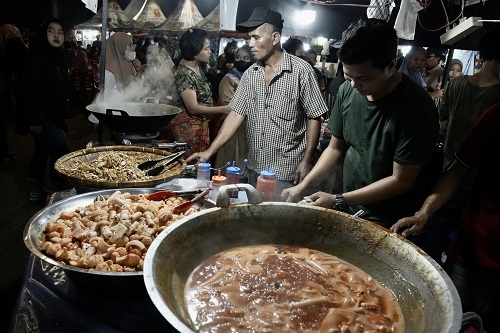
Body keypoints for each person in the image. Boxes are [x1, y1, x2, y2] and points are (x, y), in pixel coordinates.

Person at [281, 18, 438, 229]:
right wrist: (303, 187)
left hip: (389, 219)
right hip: (350, 205)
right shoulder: (348, 90)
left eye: (364, 78)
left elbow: (402, 180)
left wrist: (339, 198)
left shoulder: (417, 107)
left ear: (391, 65)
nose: (354, 85)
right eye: (348, 76)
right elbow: (335, 147)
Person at [186, 7, 326, 197]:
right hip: (255, 167)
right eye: (248, 38)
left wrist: (307, 160)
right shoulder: (251, 74)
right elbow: (236, 113)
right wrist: (210, 151)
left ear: (275, 37)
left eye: (256, 38)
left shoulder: (301, 71)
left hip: (287, 170)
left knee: (281, 223)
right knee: (256, 222)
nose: (250, 44)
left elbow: (314, 116)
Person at [390, 103, 500, 332]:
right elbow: (458, 171)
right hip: (472, 255)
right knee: (447, 322)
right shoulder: (496, 115)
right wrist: (423, 213)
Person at [420, 28, 500, 264]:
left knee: (436, 233)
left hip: (449, 172)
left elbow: (442, 123)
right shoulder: (498, 95)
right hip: (479, 182)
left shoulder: (455, 85)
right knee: (467, 242)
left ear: (481, 56)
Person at [17, 18, 84, 202]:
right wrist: (34, 120)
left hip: (54, 112)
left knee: (42, 149)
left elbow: (69, 87)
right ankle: (61, 185)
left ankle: (37, 190)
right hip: (40, 114)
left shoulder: (58, 56)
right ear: (43, 34)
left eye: (60, 32)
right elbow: (27, 90)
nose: (56, 35)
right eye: (51, 31)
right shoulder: (37, 56)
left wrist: (87, 107)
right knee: (61, 147)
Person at [166, 28, 231, 158]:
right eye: (206, 49)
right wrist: (223, 109)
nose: (210, 52)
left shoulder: (197, 67)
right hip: (188, 132)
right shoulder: (184, 74)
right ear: (195, 53)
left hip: (200, 127)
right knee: (191, 166)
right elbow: (193, 108)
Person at [213, 44, 254, 176]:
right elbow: (229, 105)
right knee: (232, 162)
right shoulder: (229, 79)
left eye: (246, 58)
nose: (241, 61)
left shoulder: (253, 77)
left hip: (248, 128)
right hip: (233, 129)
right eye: (238, 57)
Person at [0, 24, 27, 162]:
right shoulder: (18, 42)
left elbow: (9, 62)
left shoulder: (11, 43)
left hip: (18, 80)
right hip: (22, 79)